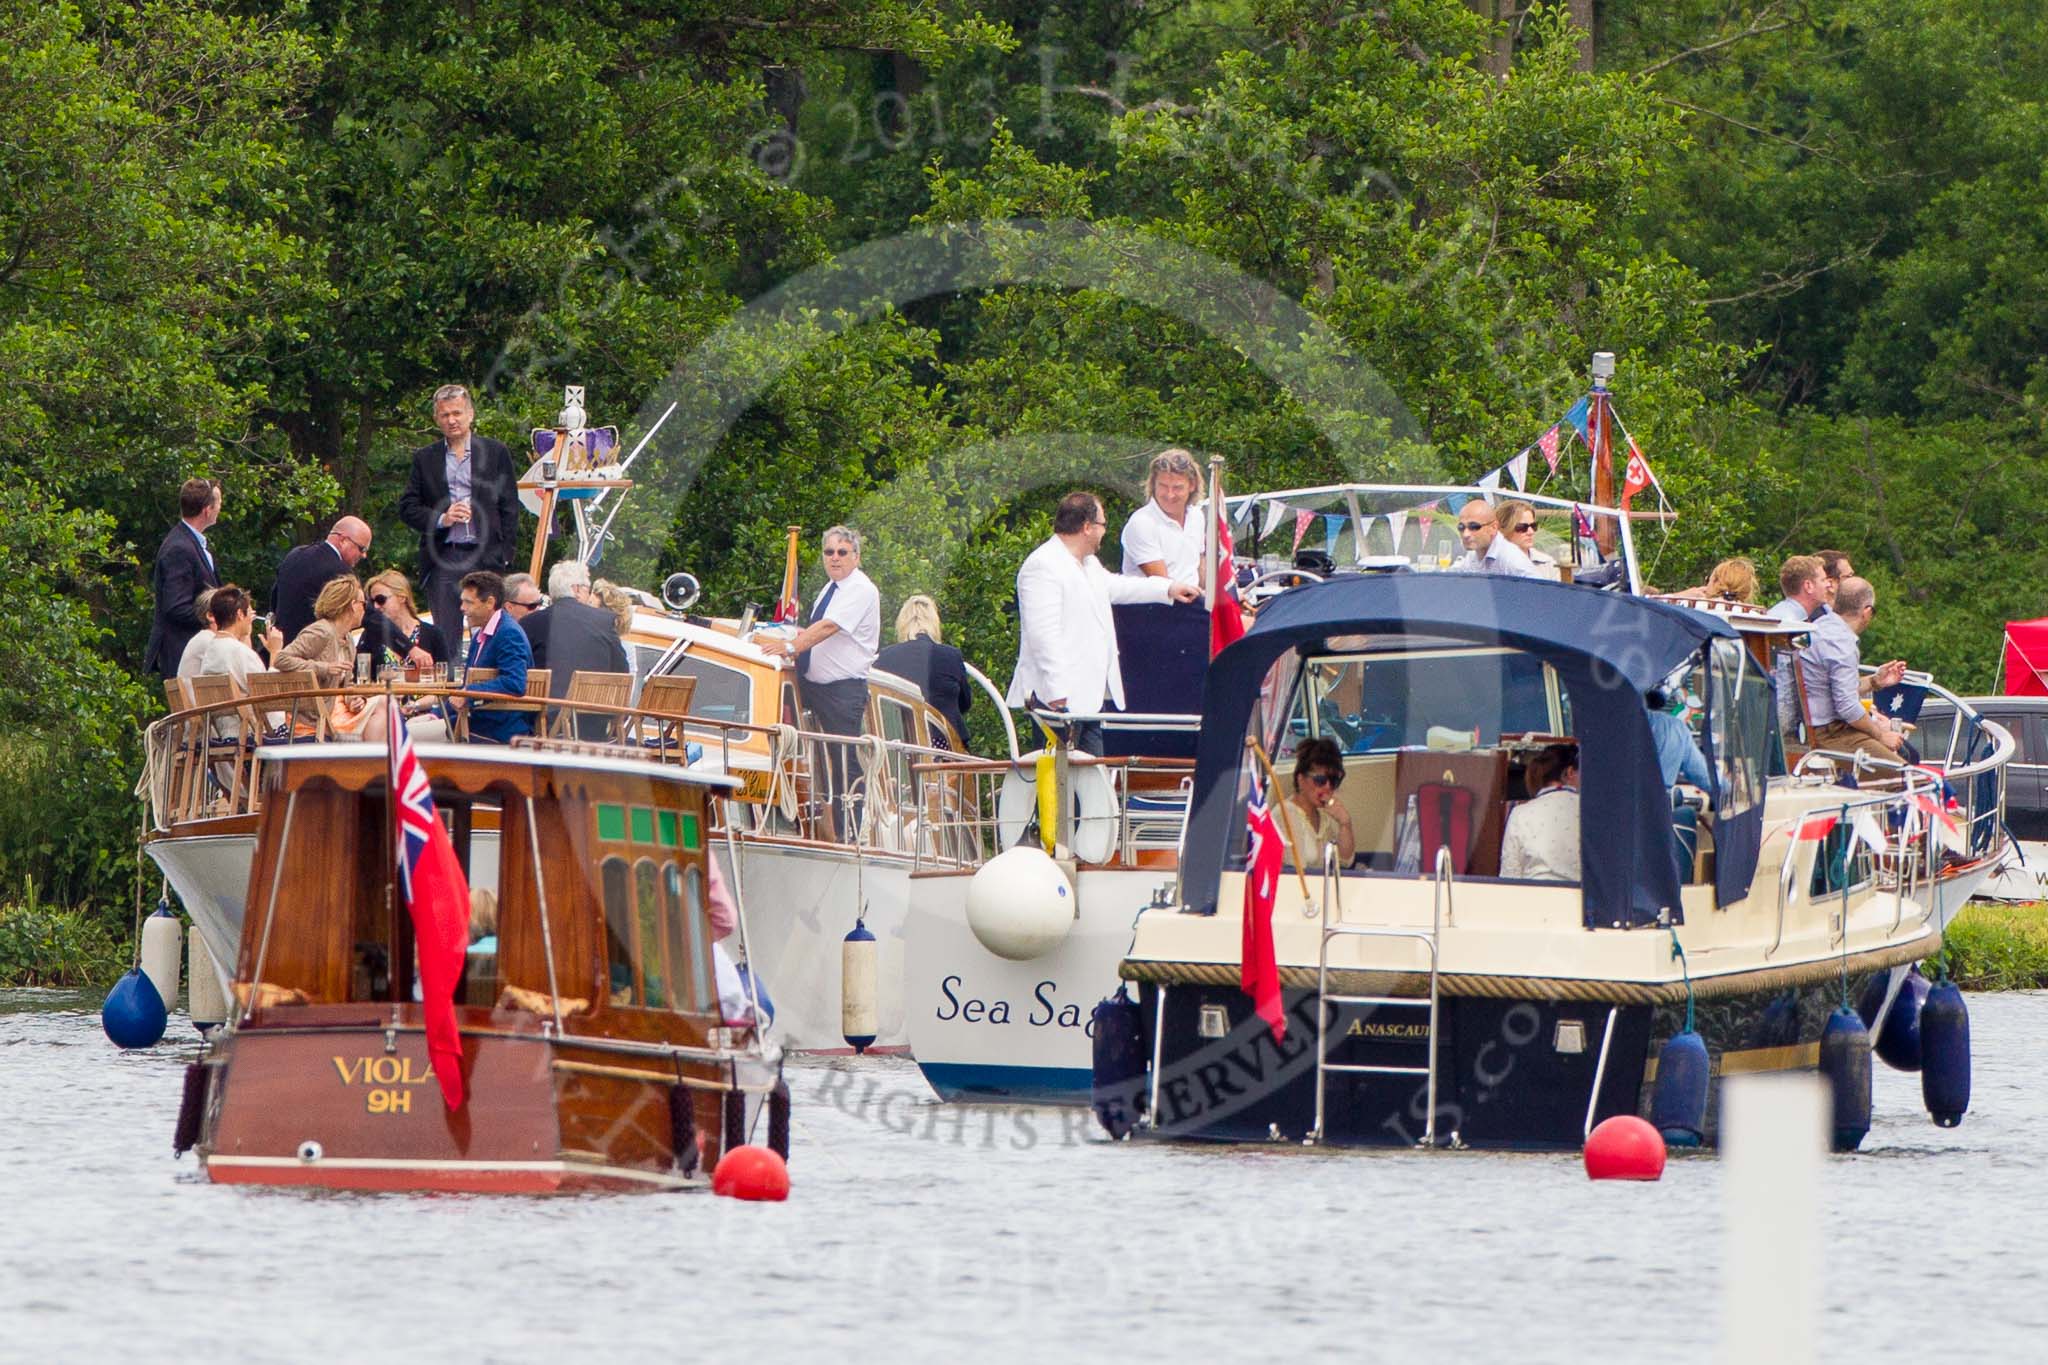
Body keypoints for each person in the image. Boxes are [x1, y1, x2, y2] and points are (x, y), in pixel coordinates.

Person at [1009, 492, 1199, 756]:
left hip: (1088, 699)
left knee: (1092, 783)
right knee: (1058, 787)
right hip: (1057, 702)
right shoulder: (1043, 566)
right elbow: (1043, 636)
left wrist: (1168, 588)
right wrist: (1057, 693)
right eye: (1102, 525)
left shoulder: (1089, 564)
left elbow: (1118, 586)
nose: (1103, 533)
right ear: (1087, 527)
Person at [397, 384, 522, 640]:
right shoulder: (425, 458)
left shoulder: (495, 452)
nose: (452, 420)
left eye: (457, 413)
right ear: (437, 419)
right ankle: (450, 680)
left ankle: (485, 680)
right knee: (446, 636)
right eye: (445, 415)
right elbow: (408, 507)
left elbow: (509, 504)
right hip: (445, 556)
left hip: (486, 555)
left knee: (491, 633)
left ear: (470, 414)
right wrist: (442, 518)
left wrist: (505, 553)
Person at [1797, 576, 1909, 768]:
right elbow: (1848, 708)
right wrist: (1882, 735)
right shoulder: (1842, 642)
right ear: (1867, 612)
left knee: (1904, 758)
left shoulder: (1821, 627)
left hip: (1812, 730)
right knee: (1913, 779)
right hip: (1829, 734)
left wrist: (1875, 681)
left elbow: (1835, 690)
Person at [273, 576, 390, 740]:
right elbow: (282, 659)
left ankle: (369, 762)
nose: (366, 609)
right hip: (315, 718)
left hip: (334, 710)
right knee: (383, 703)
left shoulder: (347, 639)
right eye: (363, 604)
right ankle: (370, 762)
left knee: (384, 704)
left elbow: (345, 685)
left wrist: (354, 700)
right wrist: (324, 668)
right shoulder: (321, 632)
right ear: (350, 605)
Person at [526, 559, 630, 740]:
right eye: (587, 589)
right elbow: (621, 671)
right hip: (593, 725)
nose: (589, 594)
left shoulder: (531, 623)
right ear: (576, 589)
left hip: (542, 727)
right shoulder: (603, 621)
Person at [145, 477, 223, 677]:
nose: (220, 509)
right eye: (219, 504)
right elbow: (176, 606)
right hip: (183, 653)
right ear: (207, 510)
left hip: (195, 650)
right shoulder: (179, 548)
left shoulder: (191, 543)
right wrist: (218, 619)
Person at [447, 570, 533, 744]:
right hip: (476, 723)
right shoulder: (483, 634)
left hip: (498, 730)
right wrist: (436, 713)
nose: (462, 608)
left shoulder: (508, 633)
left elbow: (515, 683)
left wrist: (468, 693)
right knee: (414, 728)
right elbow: (466, 687)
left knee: (411, 735)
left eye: (468, 602)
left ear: (490, 603)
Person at [875, 595, 971, 748]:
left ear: (902, 623)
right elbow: (965, 702)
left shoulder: (886, 656)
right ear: (934, 623)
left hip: (902, 744)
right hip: (947, 744)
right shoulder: (951, 655)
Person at [195, 586, 287, 737]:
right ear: (239, 614)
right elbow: (269, 697)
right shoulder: (238, 652)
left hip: (227, 733)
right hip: (251, 733)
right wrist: (275, 652)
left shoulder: (211, 651)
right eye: (249, 613)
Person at [272, 517, 373, 644]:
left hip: (279, 643)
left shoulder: (295, 554)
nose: (364, 555)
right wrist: (402, 644)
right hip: (311, 649)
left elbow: (275, 597)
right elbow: (367, 614)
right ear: (343, 540)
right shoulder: (340, 571)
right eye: (362, 549)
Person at [1120, 448, 1207, 582]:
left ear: (1192, 485)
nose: (1170, 494)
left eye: (1177, 488)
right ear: (1153, 485)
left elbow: (1199, 568)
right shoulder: (1142, 523)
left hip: (1194, 599)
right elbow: (1164, 587)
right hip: (1158, 601)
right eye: (1163, 486)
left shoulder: (1197, 516)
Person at [1500, 743, 1580, 881]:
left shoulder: (1520, 814)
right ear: (1570, 772)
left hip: (1534, 897)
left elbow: (1510, 877)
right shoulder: (1591, 812)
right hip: (1581, 899)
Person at [1277, 737, 1356, 871]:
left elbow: (1345, 861)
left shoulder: (1322, 814)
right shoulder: (1287, 814)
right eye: (1320, 780)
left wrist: (1345, 823)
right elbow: (1297, 873)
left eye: (1333, 781)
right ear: (1301, 779)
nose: (1328, 787)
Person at [363, 569, 448, 676]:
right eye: (372, 602)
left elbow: (447, 678)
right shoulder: (370, 635)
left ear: (402, 597)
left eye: (381, 600)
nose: (375, 606)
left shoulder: (433, 634)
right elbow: (362, 677)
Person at [1450, 499, 1546, 579]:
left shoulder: (1511, 559)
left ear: (1493, 528)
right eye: (1461, 527)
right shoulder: (1474, 553)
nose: (1466, 534)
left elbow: (1541, 595)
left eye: (1474, 527)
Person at [1645, 684, 1711, 793]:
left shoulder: (1612, 721)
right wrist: (1729, 787)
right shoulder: (1672, 726)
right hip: (1654, 802)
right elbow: (1702, 775)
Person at [1492, 499, 1558, 573]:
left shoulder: (1548, 564)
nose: (1531, 532)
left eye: (1533, 526)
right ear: (1503, 529)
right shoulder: (1488, 564)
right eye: (1522, 527)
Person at [175, 588, 222, 680]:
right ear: (210, 616)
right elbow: (246, 675)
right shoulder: (209, 640)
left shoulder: (204, 638)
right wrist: (246, 634)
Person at [502, 572, 548, 663]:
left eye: (540, 603)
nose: (538, 609)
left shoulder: (543, 628)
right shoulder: (504, 635)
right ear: (509, 607)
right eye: (532, 606)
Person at [1673, 557, 1759, 605]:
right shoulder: (1758, 618)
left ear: (1716, 583)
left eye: (1707, 581)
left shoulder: (1691, 609)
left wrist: (1677, 597)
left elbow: (1659, 610)